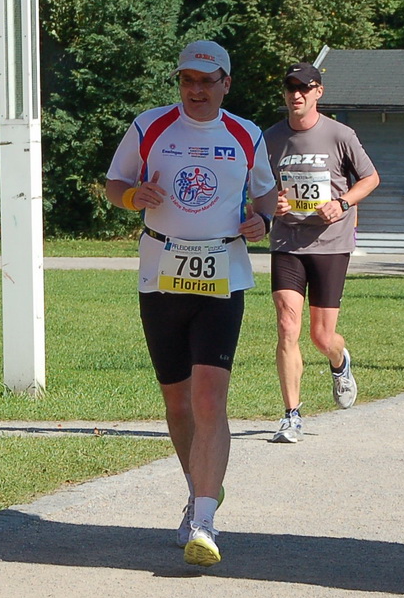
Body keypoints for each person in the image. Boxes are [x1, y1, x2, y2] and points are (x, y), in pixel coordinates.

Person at [105, 41, 278, 567]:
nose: (196, 90)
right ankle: (198, 488)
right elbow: (114, 184)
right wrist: (134, 197)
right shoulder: (149, 127)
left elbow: (266, 193)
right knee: (177, 403)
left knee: (208, 400)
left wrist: (263, 220)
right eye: (187, 80)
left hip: (223, 275)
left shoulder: (246, 134)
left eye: (207, 81)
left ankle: (205, 519)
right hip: (162, 275)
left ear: (226, 83)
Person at [264, 61, 381, 443]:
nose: (296, 94)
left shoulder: (339, 134)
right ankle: (291, 415)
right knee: (286, 326)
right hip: (287, 241)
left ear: (318, 92)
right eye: (290, 87)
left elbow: (371, 178)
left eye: (304, 87)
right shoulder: (270, 138)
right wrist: (273, 205)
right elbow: (259, 189)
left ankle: (339, 361)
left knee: (321, 336)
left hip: (330, 243)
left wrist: (343, 203)